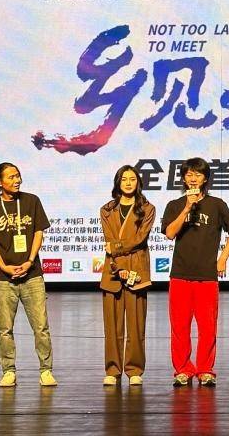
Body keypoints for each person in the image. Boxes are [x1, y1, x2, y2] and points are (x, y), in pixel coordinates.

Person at [161, 157, 229, 387]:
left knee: (207, 327)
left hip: (207, 276)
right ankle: (183, 369)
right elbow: (169, 233)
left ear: (205, 178)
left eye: (197, 174)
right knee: (180, 327)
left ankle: (205, 369)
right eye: (189, 174)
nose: (193, 178)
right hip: (180, 275)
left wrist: (222, 259)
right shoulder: (175, 205)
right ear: (183, 179)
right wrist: (187, 207)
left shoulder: (217, 205)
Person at [0, 162, 57, 387]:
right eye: (11, 177)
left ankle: (46, 370)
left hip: (32, 274)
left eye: (18, 176)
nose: (17, 180)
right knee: (5, 329)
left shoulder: (31, 201)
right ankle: (8, 371)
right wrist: (3, 266)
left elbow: (38, 232)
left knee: (41, 327)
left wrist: (30, 261)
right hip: (4, 278)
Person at [99, 165, 155, 387]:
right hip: (113, 272)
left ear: (138, 182)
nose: (128, 183)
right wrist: (119, 267)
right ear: (118, 183)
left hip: (136, 271)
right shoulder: (107, 209)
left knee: (136, 326)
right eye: (124, 179)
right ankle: (113, 370)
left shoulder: (147, 208)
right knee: (112, 327)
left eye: (132, 179)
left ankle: (134, 370)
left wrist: (117, 248)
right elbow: (108, 239)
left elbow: (139, 239)